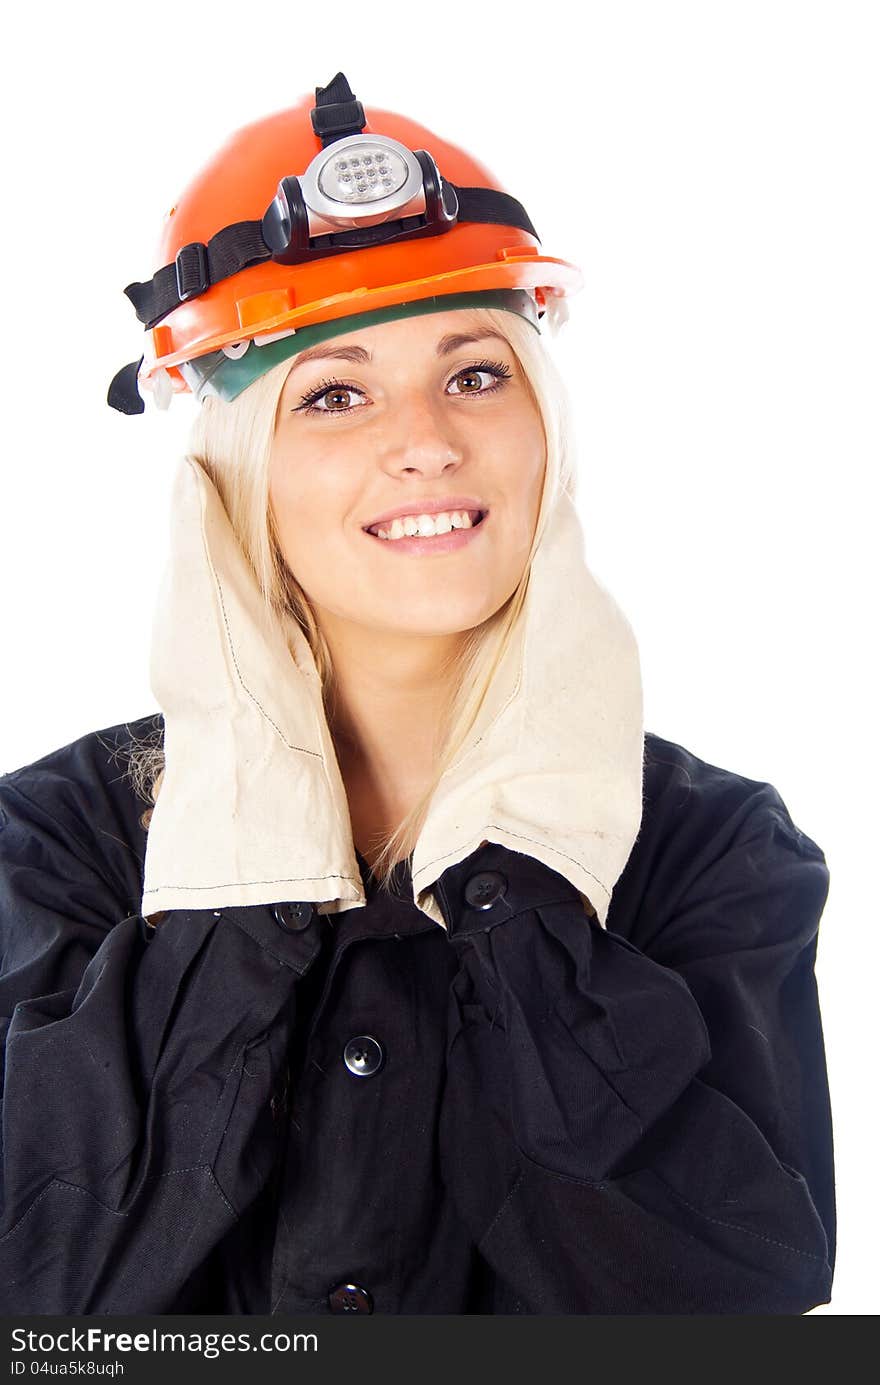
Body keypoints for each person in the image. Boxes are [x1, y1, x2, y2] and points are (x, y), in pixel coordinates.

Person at [0, 73, 835, 1315]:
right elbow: (41, 1290)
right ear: (230, 471)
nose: (430, 441)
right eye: (333, 392)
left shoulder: (711, 850)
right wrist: (244, 876)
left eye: (477, 373)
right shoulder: (53, 846)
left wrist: (520, 889)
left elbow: (736, 1293)